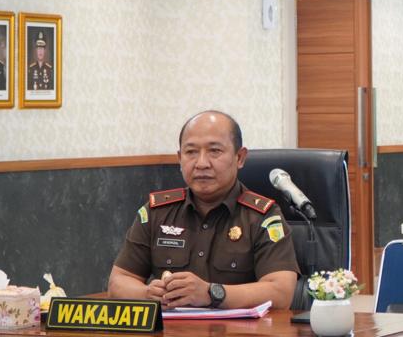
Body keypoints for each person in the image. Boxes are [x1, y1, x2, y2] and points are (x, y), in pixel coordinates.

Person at [108, 111, 300, 309]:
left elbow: (281, 293)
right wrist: (147, 294)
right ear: (179, 158)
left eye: (214, 151)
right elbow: (118, 282)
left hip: (235, 329)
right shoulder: (157, 212)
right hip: (170, 328)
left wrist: (212, 293)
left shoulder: (263, 217)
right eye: (191, 152)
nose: (201, 164)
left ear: (240, 157)